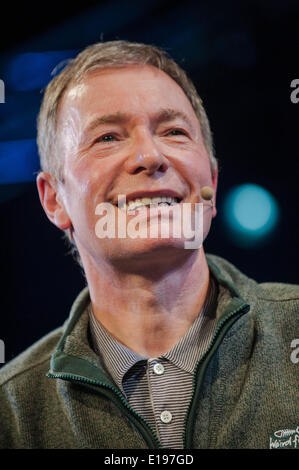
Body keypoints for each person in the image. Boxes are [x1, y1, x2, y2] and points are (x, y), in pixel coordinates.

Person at [0, 40, 298, 450]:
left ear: (210, 181)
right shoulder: (10, 410)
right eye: (107, 137)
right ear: (54, 199)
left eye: (174, 132)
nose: (149, 155)